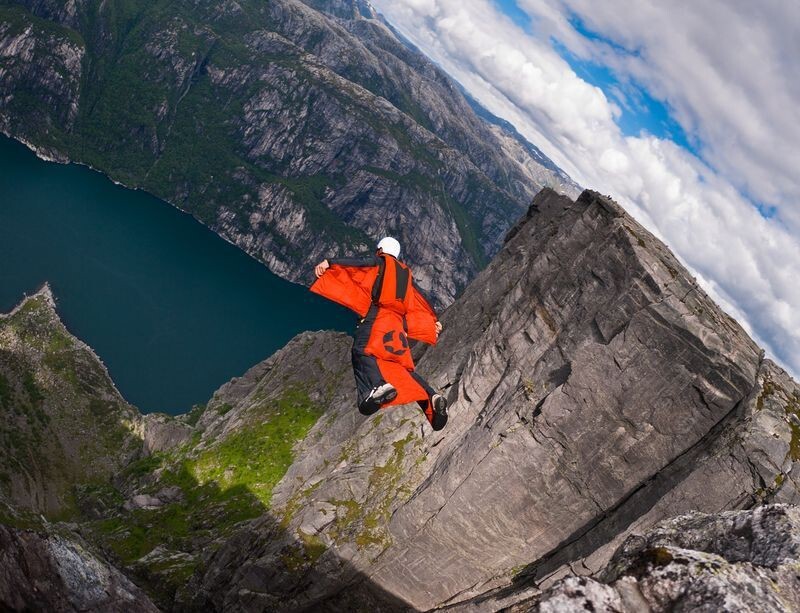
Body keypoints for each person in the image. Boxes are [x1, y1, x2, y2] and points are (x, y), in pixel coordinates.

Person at [310, 237, 448, 430]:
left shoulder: (382, 261)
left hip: (380, 317)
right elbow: (420, 300)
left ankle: (377, 386)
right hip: (397, 326)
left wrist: (330, 262)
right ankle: (431, 399)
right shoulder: (406, 275)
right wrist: (434, 320)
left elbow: (360, 263)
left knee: (361, 352)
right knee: (401, 369)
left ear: (382, 249)